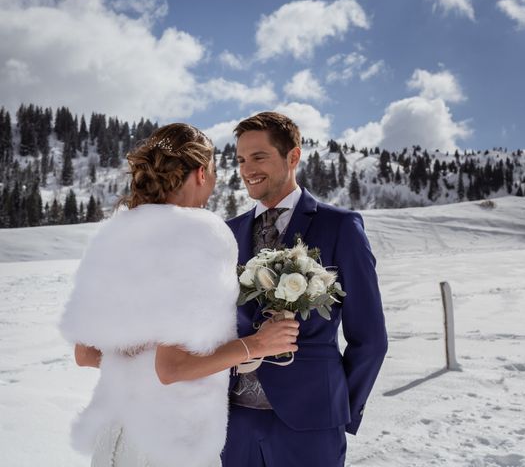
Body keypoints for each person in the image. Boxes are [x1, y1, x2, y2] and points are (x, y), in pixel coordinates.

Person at [59, 123, 299, 467]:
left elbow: (86, 353)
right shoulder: (200, 234)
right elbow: (173, 368)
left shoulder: (113, 236)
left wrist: (146, 353)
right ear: (201, 173)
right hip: (172, 439)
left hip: (116, 435)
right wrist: (258, 345)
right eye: (215, 170)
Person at [222, 112, 388, 467]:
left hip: (311, 423)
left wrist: (338, 410)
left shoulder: (340, 226)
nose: (247, 168)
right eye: (240, 159)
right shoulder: (227, 233)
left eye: (259, 156)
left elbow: (370, 337)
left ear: (293, 156)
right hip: (233, 423)